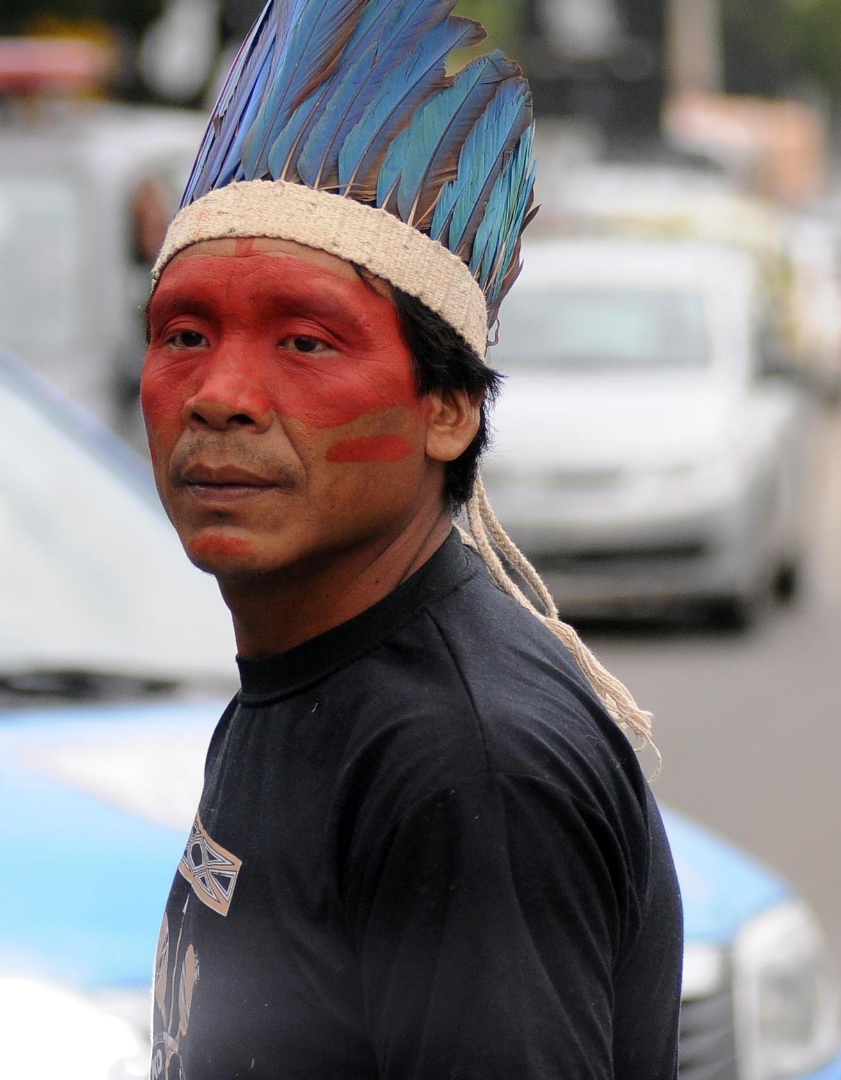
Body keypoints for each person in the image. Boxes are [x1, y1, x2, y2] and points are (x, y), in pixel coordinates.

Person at [140, 1, 684, 1078]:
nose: (222, 396)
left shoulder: (464, 768)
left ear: (450, 409)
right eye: (185, 335)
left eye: (305, 341)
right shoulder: (302, 673)